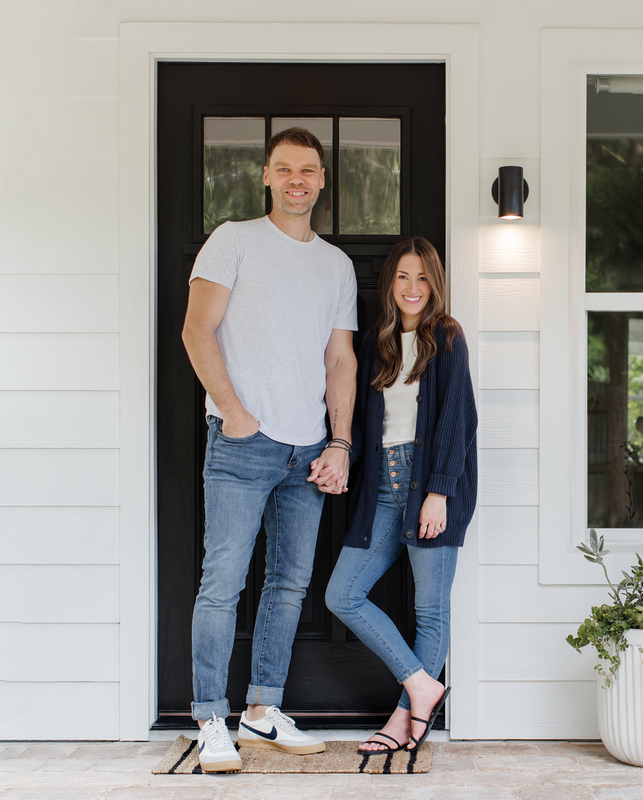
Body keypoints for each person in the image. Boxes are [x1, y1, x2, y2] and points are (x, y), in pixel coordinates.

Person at [181, 127, 357, 772]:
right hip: (242, 444)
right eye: (284, 169)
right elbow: (196, 329)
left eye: (308, 170)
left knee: (288, 585)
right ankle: (209, 719)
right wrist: (233, 411)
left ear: (319, 180)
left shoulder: (335, 265)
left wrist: (339, 443)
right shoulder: (234, 240)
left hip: (308, 450)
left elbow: (340, 359)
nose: (297, 180)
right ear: (266, 176)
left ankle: (261, 710)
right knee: (222, 583)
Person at [325, 236, 477, 755]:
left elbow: (459, 422)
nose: (413, 288)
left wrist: (439, 493)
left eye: (423, 278)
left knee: (431, 611)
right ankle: (422, 684)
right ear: (390, 283)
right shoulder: (375, 342)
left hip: (431, 484)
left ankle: (400, 722)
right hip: (382, 488)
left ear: (434, 285)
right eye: (403, 277)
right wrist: (338, 456)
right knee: (342, 594)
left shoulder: (447, 336)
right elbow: (367, 420)